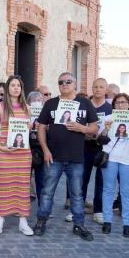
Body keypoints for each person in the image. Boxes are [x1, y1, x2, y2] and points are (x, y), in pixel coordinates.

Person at [33, 72, 98, 241]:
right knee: (47, 192)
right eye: (61, 82)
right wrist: (45, 149)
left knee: (77, 193)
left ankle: (79, 224)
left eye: (68, 81)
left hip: (76, 158)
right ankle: (41, 221)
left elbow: (94, 128)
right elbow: (41, 127)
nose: (64, 84)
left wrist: (81, 128)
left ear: (75, 84)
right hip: (53, 156)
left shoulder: (85, 103)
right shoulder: (51, 103)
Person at [0, 76, 34, 236]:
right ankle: (0, 219)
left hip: (23, 154)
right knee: (4, 186)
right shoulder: (0, 107)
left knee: (22, 186)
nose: (16, 88)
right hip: (4, 153)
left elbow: (25, 131)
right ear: (8, 88)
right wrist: (0, 145)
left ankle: (23, 221)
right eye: (13, 85)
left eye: (18, 86)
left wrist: (29, 126)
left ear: (21, 89)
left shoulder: (27, 108)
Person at [100, 93, 129, 237]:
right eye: (117, 103)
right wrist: (105, 129)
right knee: (108, 189)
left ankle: (127, 223)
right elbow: (100, 139)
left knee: (126, 191)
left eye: (123, 102)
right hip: (110, 157)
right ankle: (107, 221)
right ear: (114, 105)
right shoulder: (107, 118)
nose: (121, 105)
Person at [81, 78, 112, 224]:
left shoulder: (110, 109)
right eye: (95, 87)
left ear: (106, 89)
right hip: (85, 146)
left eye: (101, 87)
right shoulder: (85, 105)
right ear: (91, 89)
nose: (98, 89)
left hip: (103, 148)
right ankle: (77, 209)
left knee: (101, 180)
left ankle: (98, 210)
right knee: (82, 179)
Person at [27, 91, 46, 203]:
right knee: (25, 179)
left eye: (39, 100)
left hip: (40, 149)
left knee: (41, 179)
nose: (36, 103)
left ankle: (42, 206)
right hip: (27, 147)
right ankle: (23, 206)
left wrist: (44, 126)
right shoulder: (25, 112)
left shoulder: (45, 113)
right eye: (33, 100)